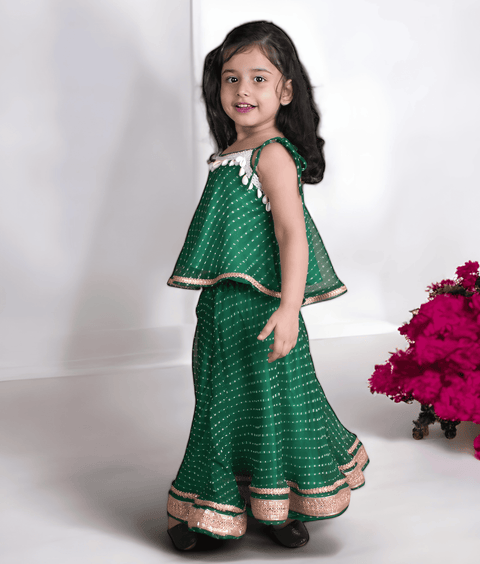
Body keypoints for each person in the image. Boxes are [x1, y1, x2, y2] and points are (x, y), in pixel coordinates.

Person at [165, 20, 369, 551]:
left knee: (276, 404)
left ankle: (281, 506)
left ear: (286, 90)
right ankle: (218, 509)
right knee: (222, 407)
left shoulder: (272, 154)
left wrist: (288, 310)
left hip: (265, 312)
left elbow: (290, 234)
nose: (243, 90)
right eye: (231, 78)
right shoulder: (229, 152)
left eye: (259, 78)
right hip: (220, 312)